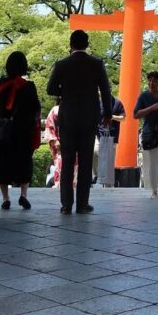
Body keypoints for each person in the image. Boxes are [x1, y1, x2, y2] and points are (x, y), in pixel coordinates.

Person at [46, 29, 112, 214]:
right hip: (89, 117)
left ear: (70, 44)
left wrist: (65, 90)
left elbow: (50, 89)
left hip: (67, 118)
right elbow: (106, 91)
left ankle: (66, 204)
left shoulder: (61, 64)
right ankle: (82, 204)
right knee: (85, 162)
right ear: (87, 44)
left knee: (67, 161)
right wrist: (107, 114)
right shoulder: (96, 64)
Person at [0, 50, 40, 210]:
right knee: (24, 162)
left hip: (3, 130)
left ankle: (6, 198)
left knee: (2, 164)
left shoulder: (0, 84)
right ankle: (23, 195)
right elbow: (36, 108)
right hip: (22, 131)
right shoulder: (29, 86)